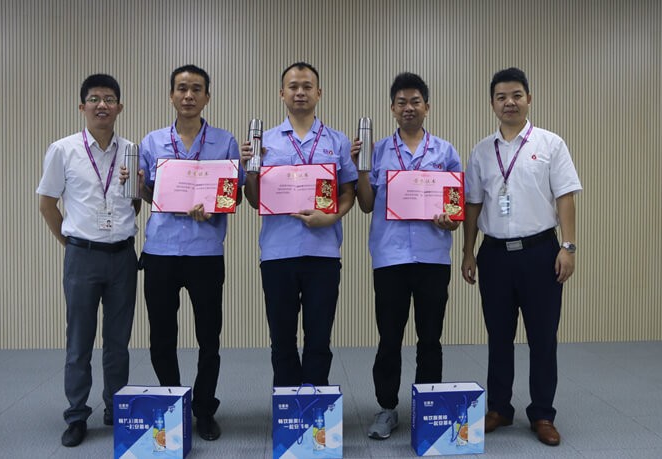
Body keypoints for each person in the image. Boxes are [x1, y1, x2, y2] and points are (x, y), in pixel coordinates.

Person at [461, 67, 582, 446]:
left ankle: (542, 413)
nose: (509, 102)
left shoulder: (550, 144)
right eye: (501, 97)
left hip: (540, 253)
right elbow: (472, 205)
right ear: (492, 104)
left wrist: (568, 246)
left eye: (516, 95)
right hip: (494, 255)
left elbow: (565, 196)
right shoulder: (482, 151)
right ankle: (499, 408)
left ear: (529, 99)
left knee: (543, 337)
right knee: (498, 336)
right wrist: (468, 252)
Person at [133, 64, 244, 441]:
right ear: (171, 96)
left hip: (205, 251)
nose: (188, 95)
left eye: (196, 89)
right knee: (161, 335)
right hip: (161, 250)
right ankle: (173, 403)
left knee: (209, 337)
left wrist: (215, 206)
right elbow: (147, 193)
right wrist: (141, 186)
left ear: (207, 97)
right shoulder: (151, 142)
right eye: (181, 88)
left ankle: (204, 408)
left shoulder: (225, 142)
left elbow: (233, 195)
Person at [351, 72, 462, 439]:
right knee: (389, 338)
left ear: (427, 107)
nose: (409, 108)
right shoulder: (378, 150)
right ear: (392, 109)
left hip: (433, 258)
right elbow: (366, 204)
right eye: (402, 102)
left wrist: (449, 220)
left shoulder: (445, 152)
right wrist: (361, 168)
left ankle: (427, 405)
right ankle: (386, 408)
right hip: (390, 258)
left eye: (415, 101)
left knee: (430, 337)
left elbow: (454, 212)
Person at [240, 62, 357, 387]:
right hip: (278, 253)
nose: (300, 92)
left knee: (319, 339)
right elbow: (254, 200)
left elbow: (348, 192)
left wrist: (331, 216)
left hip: (324, 253)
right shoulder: (264, 142)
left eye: (307, 86)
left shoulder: (337, 141)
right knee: (282, 340)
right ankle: (288, 406)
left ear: (319, 93)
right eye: (293, 87)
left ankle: (316, 405)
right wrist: (250, 171)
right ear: (282, 93)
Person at [37, 74, 139, 447]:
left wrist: (137, 185)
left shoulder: (132, 150)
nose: (102, 105)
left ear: (119, 107)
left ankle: (115, 406)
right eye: (94, 99)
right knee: (79, 339)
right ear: (82, 107)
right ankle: (77, 414)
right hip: (82, 256)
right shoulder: (63, 150)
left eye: (109, 99)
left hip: (123, 256)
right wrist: (70, 242)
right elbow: (47, 204)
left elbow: (136, 202)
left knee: (118, 341)